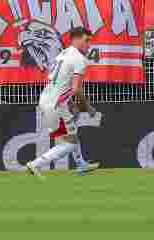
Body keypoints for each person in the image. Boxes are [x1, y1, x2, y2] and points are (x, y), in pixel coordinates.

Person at [25, 26, 101, 177]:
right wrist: (88, 107)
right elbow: (76, 89)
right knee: (68, 143)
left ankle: (81, 165)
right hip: (55, 104)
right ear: (77, 39)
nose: (89, 45)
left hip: (49, 99)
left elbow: (61, 83)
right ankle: (35, 164)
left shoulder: (63, 54)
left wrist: (70, 104)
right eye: (86, 41)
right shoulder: (79, 59)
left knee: (72, 132)